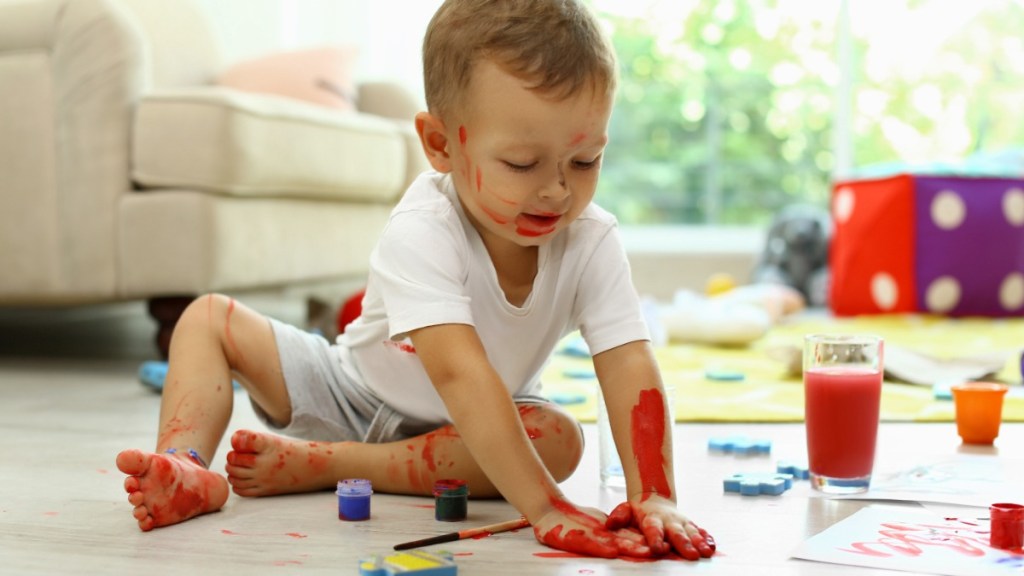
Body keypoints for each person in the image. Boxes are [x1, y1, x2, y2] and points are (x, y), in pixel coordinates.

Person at [116, 0, 715, 561]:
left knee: (560, 438)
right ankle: (186, 466)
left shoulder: (592, 239)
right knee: (206, 317)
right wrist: (544, 507)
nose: (559, 190)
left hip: (478, 431)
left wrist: (656, 494)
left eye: (585, 161)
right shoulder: (423, 227)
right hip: (348, 395)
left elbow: (628, 361)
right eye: (522, 164)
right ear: (439, 145)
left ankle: (327, 464)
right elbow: (458, 370)